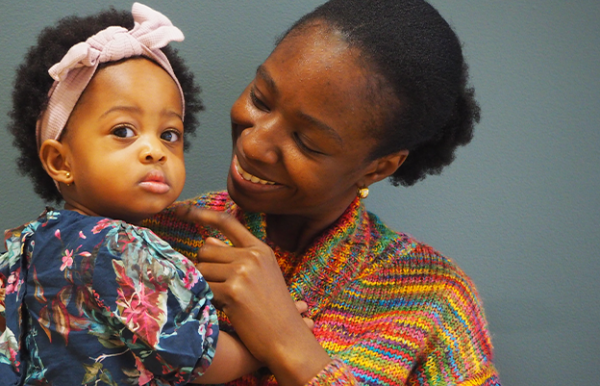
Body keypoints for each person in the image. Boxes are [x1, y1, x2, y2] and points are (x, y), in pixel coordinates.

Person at [144, 0, 501, 385]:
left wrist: (290, 347)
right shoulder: (148, 239)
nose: (254, 144)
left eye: (307, 141)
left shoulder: (435, 301)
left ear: (378, 166)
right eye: (261, 99)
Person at [0, 4, 265, 385]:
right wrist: (259, 350)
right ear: (60, 161)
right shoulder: (125, 249)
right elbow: (195, 358)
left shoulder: (32, 238)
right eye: (123, 131)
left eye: (169, 134)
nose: (154, 150)